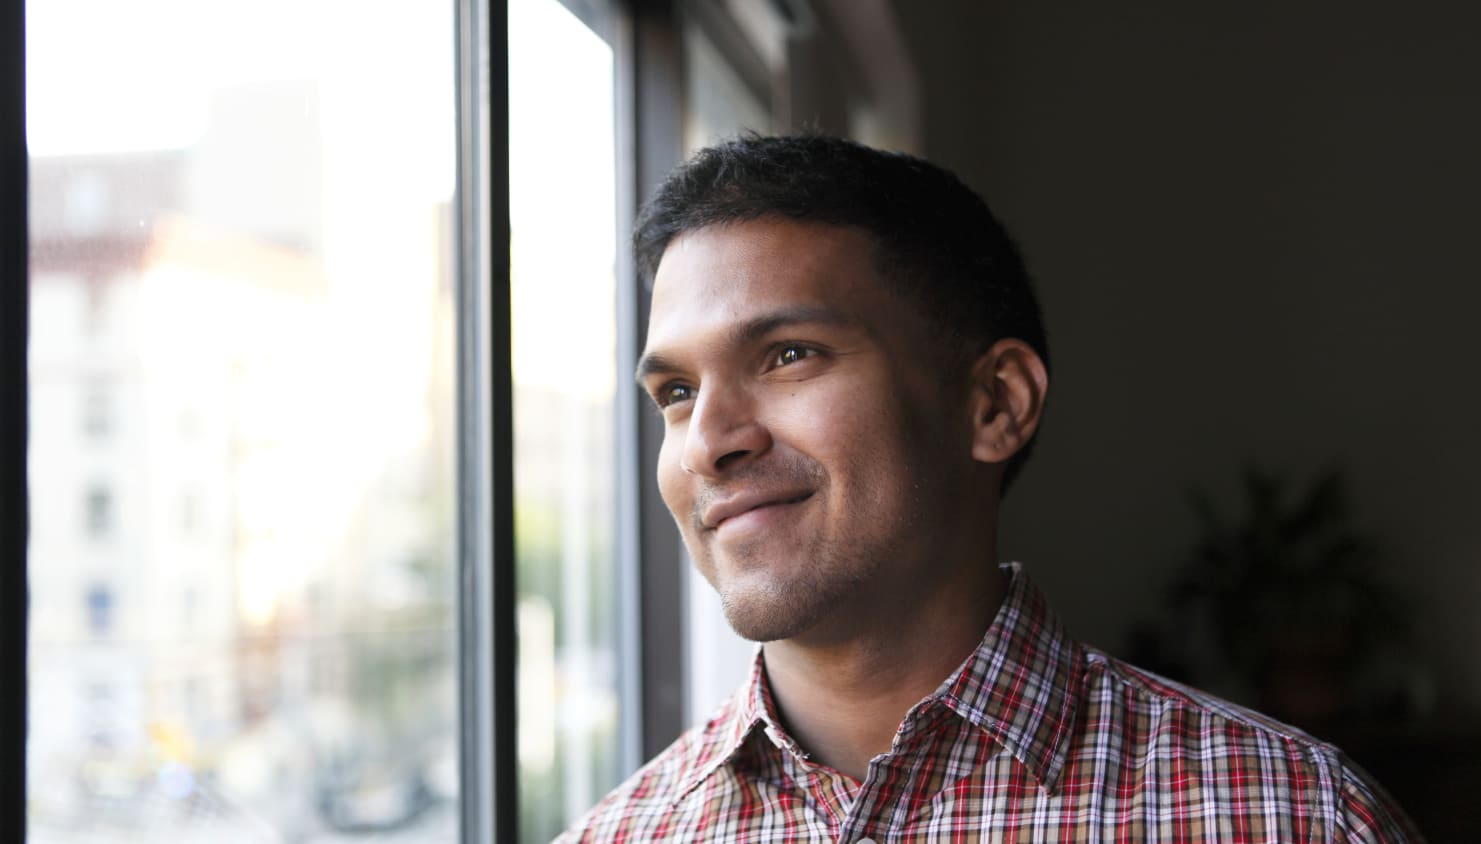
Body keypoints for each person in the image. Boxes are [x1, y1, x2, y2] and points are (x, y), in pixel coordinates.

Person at [558, 134, 1421, 842]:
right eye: (676, 393)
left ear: (995, 404)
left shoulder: (1296, 818)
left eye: (789, 356)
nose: (708, 442)